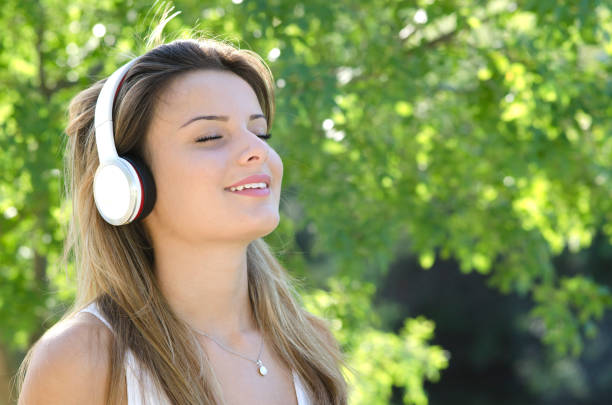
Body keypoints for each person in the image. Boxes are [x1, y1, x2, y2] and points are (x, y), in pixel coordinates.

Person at [15, 36, 350, 404]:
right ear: (128, 183)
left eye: (259, 132)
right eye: (210, 136)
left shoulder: (313, 346)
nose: (258, 150)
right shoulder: (81, 359)